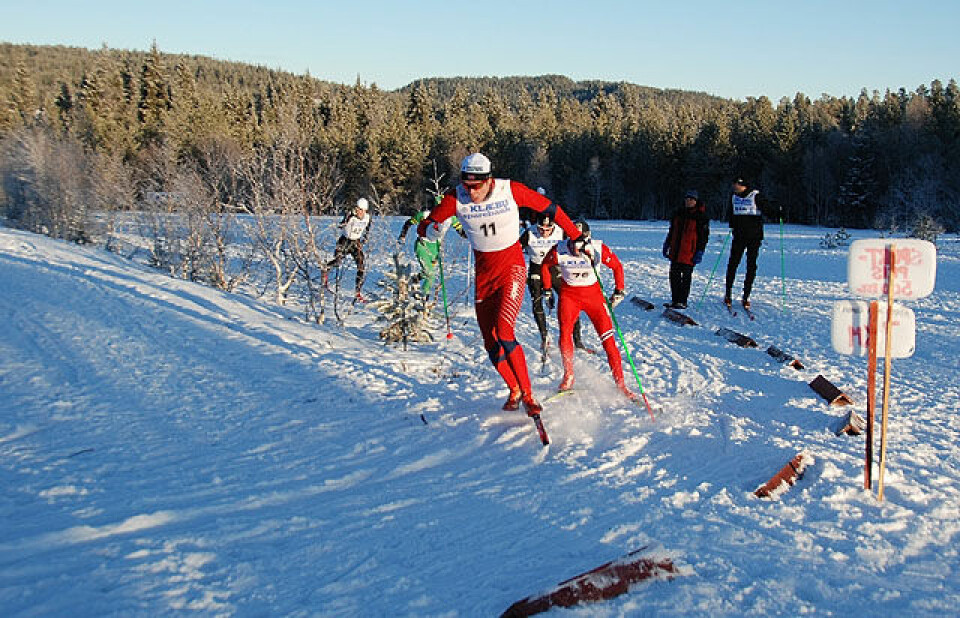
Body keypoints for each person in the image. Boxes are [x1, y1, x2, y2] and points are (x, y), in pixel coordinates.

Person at [417, 153, 584, 416]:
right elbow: (425, 225)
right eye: (467, 185)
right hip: (485, 276)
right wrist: (431, 230)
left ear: (489, 180)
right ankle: (514, 389)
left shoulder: (510, 190)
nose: (471, 192)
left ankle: (529, 395)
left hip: (512, 269)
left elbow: (550, 209)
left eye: (477, 186)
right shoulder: (455, 197)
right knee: (490, 341)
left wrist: (575, 236)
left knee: (505, 331)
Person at [540, 219, 635, 401]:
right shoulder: (559, 249)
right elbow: (545, 265)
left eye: (582, 242)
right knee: (565, 333)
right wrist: (547, 289)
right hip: (569, 297)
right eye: (575, 243)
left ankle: (620, 383)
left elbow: (617, 266)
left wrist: (619, 290)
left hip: (594, 298)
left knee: (608, 341)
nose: (578, 248)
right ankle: (568, 375)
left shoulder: (597, 248)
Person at [519, 210, 589, 357]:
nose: (544, 232)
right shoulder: (529, 233)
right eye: (541, 229)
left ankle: (577, 340)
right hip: (536, 266)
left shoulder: (560, 231)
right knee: (537, 302)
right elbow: (515, 251)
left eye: (548, 229)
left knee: (570, 302)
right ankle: (544, 337)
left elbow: (577, 243)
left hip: (555, 268)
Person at [397, 196, 465, 298]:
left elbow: (460, 230)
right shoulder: (424, 215)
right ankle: (423, 297)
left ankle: (413, 280)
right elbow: (408, 223)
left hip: (436, 248)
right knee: (431, 274)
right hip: (422, 245)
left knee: (426, 273)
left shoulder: (451, 218)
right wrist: (402, 236)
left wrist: (471, 236)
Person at [724, 177, 772, 309]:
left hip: (754, 237)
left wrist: (778, 212)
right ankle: (728, 294)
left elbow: (768, 210)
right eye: (733, 184)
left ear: (743, 185)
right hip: (739, 236)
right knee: (732, 264)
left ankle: (746, 296)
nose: (734, 187)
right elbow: (731, 213)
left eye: (736, 185)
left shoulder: (755, 196)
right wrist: (732, 224)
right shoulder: (734, 197)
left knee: (751, 266)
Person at [662, 189, 710, 309]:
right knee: (674, 276)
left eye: (691, 200)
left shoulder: (701, 216)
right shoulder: (678, 213)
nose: (688, 201)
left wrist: (700, 251)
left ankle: (682, 301)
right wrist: (667, 244)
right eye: (687, 199)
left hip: (689, 253)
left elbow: (703, 237)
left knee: (686, 277)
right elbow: (672, 231)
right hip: (675, 251)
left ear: (696, 201)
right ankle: (675, 300)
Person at [324, 197, 372, 302]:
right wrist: (348, 217)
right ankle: (326, 270)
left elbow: (367, 229)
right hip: (344, 241)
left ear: (365, 210)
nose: (359, 212)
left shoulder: (367, 217)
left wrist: (364, 240)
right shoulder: (351, 215)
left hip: (356, 243)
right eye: (358, 209)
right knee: (338, 261)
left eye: (361, 210)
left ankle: (357, 292)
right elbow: (341, 225)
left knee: (361, 266)